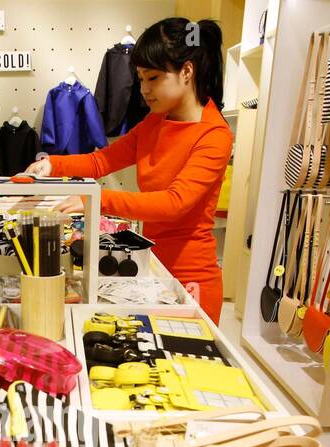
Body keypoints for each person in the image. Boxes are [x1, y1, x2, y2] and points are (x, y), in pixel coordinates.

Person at [26, 18, 232, 321]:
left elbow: (174, 203)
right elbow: (101, 161)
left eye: (153, 78)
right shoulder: (155, 122)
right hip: (150, 266)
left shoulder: (214, 135)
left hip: (191, 281)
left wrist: (95, 201)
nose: (144, 90)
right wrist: (51, 164)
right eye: (141, 80)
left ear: (187, 71)